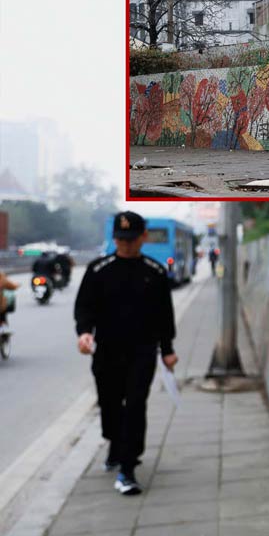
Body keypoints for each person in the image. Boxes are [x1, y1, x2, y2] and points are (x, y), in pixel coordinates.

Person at [74, 211, 177, 496]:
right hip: (107, 351)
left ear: (143, 237)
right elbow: (84, 307)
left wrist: (168, 350)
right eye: (120, 239)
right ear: (114, 239)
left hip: (142, 351)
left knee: (135, 405)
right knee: (109, 405)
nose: (126, 244)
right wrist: (84, 332)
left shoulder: (155, 272)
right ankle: (115, 443)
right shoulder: (98, 269)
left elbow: (164, 315)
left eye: (131, 239)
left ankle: (128, 469)